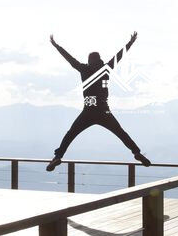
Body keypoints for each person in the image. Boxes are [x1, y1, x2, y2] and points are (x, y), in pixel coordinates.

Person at [46, 31, 151, 171]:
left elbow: (69, 59)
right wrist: (130, 42)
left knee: (70, 134)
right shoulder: (106, 69)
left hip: (88, 108)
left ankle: (58, 156)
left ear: (89, 60)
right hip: (103, 109)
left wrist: (56, 45)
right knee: (121, 133)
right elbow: (119, 56)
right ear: (99, 59)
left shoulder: (84, 69)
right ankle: (136, 152)